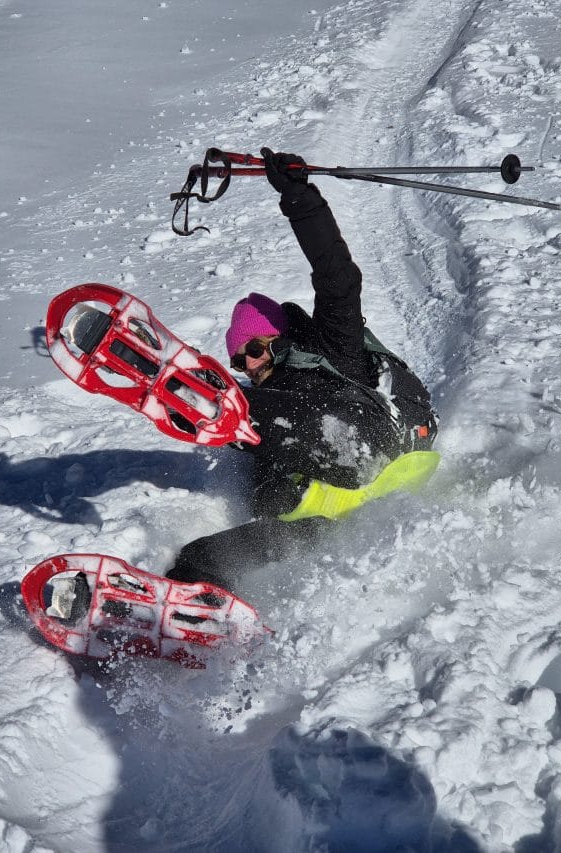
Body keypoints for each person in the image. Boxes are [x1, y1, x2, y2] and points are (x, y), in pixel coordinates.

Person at [165, 148, 437, 594]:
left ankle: (173, 386)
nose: (249, 364)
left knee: (232, 405)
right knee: (200, 560)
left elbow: (338, 277)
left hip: (363, 445)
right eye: (239, 360)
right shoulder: (261, 416)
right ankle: (188, 613)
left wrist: (298, 196)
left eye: (254, 348)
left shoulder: (333, 350)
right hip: (332, 523)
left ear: (279, 337)